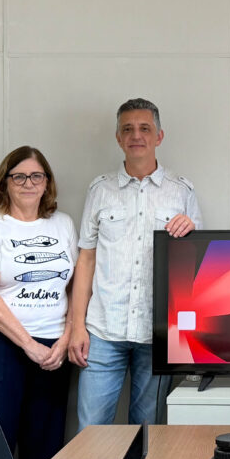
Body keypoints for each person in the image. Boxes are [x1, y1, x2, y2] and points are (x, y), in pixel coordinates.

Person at [69, 98, 202, 430]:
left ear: (159, 136)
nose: (136, 135)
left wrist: (192, 232)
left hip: (155, 334)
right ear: (118, 138)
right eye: (127, 129)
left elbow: (195, 268)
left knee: (147, 435)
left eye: (145, 128)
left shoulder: (181, 192)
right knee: (91, 432)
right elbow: (85, 260)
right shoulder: (99, 190)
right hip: (102, 330)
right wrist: (76, 326)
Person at [0, 146, 77, 459]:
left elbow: (74, 287)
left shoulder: (63, 224)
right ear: (5, 183)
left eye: (36, 176)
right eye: (19, 176)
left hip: (54, 347)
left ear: (47, 183)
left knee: (45, 444)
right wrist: (29, 345)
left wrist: (67, 336)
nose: (28, 183)